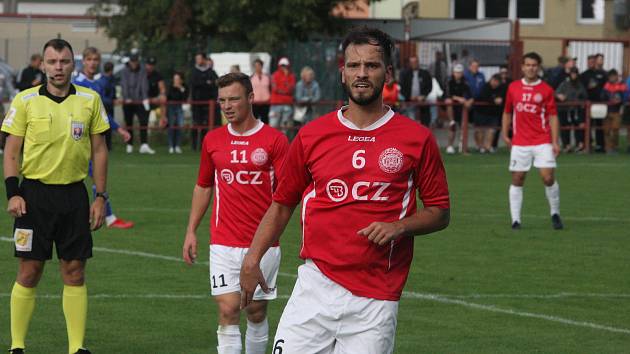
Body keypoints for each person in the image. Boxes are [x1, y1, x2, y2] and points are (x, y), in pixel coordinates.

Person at [239, 26, 450, 354]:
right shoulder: (312, 135)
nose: (362, 74)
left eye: (371, 65)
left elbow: (439, 211)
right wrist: (252, 259)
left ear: (388, 73)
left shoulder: (417, 138)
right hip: (314, 287)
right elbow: (282, 204)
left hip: (376, 298)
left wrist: (399, 226)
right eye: (354, 66)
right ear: (342, 73)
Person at [2, 38, 110, 354]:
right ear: (43, 65)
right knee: (29, 270)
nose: (58, 68)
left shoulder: (90, 100)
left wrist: (100, 196)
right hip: (33, 197)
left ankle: (76, 348)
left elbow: (100, 150)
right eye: (52, 62)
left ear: (72, 64)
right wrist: (13, 193)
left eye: (63, 62)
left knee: (74, 270)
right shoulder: (25, 100)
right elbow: (11, 151)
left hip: (74, 197)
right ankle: (17, 346)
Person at [182, 72, 289, 354]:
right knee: (229, 309)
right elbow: (203, 186)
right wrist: (191, 230)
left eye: (234, 99)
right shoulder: (213, 140)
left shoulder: (275, 141)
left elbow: (288, 195)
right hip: (223, 242)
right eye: (222, 101)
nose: (227, 106)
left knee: (254, 311)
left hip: (263, 244)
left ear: (251, 98)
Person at [73, 47, 134, 230]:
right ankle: (106, 217)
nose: (92, 63)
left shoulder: (99, 85)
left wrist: (118, 129)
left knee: (95, 175)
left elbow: (102, 113)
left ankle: (104, 216)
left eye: (95, 60)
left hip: (94, 139)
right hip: (78, 138)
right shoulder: (76, 83)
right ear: (83, 61)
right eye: (89, 59)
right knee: (88, 176)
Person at [502, 52, 563, 230]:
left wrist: (555, 141)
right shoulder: (513, 87)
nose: (531, 68)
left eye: (534, 65)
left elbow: (553, 117)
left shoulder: (546, 90)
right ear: (522, 67)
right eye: (528, 65)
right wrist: (505, 134)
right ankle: (515, 220)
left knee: (548, 177)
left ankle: (555, 213)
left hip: (542, 140)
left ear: (539, 67)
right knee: (518, 178)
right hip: (520, 142)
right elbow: (507, 112)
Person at [120, 54, 155, 154]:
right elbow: (124, 85)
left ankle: (144, 144)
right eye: (132, 61)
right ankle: (129, 144)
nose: (134, 63)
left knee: (143, 122)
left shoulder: (142, 71)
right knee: (129, 123)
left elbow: (143, 85)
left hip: (139, 100)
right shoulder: (124, 71)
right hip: (128, 101)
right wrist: (127, 98)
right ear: (130, 61)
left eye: (135, 61)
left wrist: (144, 99)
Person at [190, 52, 219, 151]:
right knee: (196, 124)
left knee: (207, 126)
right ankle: (194, 147)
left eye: (199, 58)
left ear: (204, 59)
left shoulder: (211, 72)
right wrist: (206, 83)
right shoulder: (194, 72)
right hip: (197, 103)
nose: (197, 61)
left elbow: (215, 84)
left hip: (208, 104)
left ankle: (204, 145)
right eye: (196, 59)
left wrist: (205, 84)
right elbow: (194, 84)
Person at [556, 67, 587, 152]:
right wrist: (560, 96)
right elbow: (557, 93)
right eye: (572, 73)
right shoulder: (564, 83)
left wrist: (580, 101)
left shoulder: (580, 84)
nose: (573, 75)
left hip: (576, 109)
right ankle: (566, 145)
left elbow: (584, 95)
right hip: (565, 109)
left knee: (578, 127)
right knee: (565, 128)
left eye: (575, 73)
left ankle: (579, 144)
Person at [443, 64, 473, 154]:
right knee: (452, 126)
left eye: (459, 72)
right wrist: (459, 98)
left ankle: (463, 147)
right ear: (453, 73)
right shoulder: (449, 81)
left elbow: (471, 95)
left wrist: (469, 102)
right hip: (452, 106)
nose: (458, 74)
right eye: (456, 72)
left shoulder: (465, 82)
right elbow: (447, 95)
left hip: (461, 108)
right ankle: (449, 145)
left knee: (463, 128)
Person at [580, 54, 607, 152]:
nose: (591, 63)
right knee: (588, 124)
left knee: (599, 125)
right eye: (589, 62)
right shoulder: (584, 75)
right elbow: (581, 89)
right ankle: (588, 144)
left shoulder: (603, 74)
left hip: (600, 103)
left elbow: (606, 87)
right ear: (587, 62)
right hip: (588, 104)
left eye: (593, 61)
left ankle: (600, 145)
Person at [475, 74, 506, 153]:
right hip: (481, 112)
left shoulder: (502, 88)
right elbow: (483, 96)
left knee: (492, 130)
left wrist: (500, 99)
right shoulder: (485, 86)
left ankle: (488, 146)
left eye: (496, 81)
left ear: (499, 82)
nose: (494, 83)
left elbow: (503, 97)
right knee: (480, 129)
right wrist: (494, 100)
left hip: (493, 113)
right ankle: (480, 147)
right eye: (493, 80)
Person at [399, 56, 432, 126]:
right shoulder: (405, 74)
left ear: (418, 62)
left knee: (425, 123)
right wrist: (409, 97)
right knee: (411, 122)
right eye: (412, 62)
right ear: (410, 63)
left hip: (422, 101)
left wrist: (423, 96)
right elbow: (402, 88)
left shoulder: (425, 73)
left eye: (415, 62)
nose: (414, 64)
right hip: (410, 101)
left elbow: (429, 86)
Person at [601, 69, 626, 154]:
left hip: (616, 111)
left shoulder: (621, 85)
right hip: (607, 111)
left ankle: (614, 146)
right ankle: (608, 148)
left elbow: (624, 97)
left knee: (615, 129)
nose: (611, 78)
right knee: (607, 131)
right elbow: (602, 97)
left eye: (613, 76)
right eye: (610, 76)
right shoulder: (606, 86)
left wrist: (620, 100)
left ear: (616, 76)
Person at [269, 57, 296, 132]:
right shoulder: (275, 75)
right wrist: (286, 91)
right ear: (279, 65)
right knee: (273, 126)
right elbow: (275, 88)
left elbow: (292, 89)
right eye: (282, 65)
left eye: (285, 65)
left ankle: (282, 143)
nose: (283, 67)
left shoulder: (291, 76)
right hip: (276, 104)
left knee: (284, 127)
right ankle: (272, 143)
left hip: (287, 104)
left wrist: (286, 79)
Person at [166, 71, 188, 153]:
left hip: (180, 107)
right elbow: (170, 97)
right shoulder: (170, 87)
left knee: (180, 126)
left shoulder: (184, 87)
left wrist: (180, 89)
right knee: (171, 126)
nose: (176, 80)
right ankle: (171, 146)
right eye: (175, 79)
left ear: (181, 80)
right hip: (171, 107)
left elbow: (184, 97)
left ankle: (178, 146)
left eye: (177, 79)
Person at [145, 56, 167, 137]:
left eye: (152, 65)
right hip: (143, 99)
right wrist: (148, 99)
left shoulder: (157, 75)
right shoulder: (142, 74)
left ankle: (163, 120)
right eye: (149, 64)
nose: (150, 66)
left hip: (155, 99)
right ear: (146, 64)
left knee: (163, 99)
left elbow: (162, 88)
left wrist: (162, 95)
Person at [250, 58, 271, 124]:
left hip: (265, 103)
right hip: (255, 103)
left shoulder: (267, 77)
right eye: (256, 66)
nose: (257, 67)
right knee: (254, 122)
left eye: (259, 65)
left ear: (262, 66)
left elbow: (270, 88)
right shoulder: (251, 78)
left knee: (265, 122)